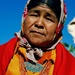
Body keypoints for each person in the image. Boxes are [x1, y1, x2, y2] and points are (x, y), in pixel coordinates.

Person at [0, 0, 75, 75]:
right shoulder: (3, 53)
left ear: (59, 26)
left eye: (49, 19)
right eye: (34, 15)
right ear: (25, 17)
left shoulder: (71, 66)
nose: (39, 24)